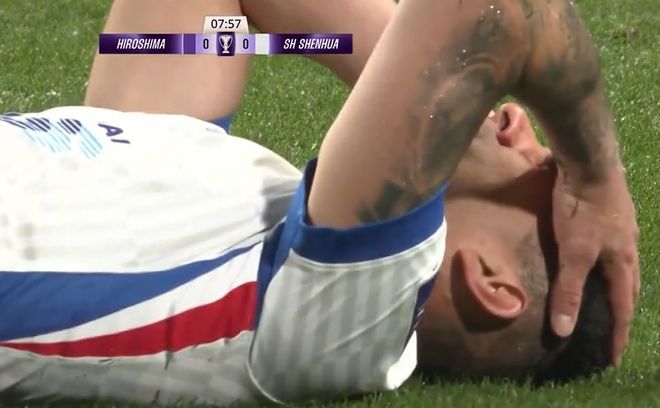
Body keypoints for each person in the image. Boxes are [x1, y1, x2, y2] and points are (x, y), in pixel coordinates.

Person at [0, 0, 638, 406]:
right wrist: (392, 59)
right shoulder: (193, 210)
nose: (517, 122)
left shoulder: (353, 319)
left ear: (490, 282)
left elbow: (492, 13)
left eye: (543, 171)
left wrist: (596, 177)